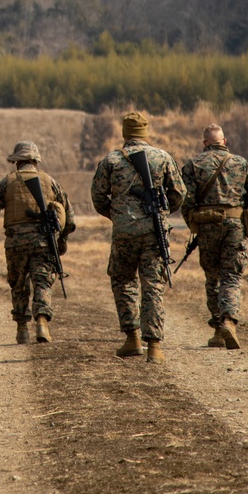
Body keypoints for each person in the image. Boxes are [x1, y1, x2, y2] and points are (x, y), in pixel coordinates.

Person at [91, 110, 185, 364]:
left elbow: (98, 198)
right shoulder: (163, 157)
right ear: (145, 132)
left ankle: (132, 338)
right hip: (154, 232)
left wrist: (119, 215)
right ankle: (154, 346)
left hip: (124, 233)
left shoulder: (111, 160)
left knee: (123, 281)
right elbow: (178, 193)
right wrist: (162, 212)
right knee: (153, 285)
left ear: (125, 133)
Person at [0, 141, 75, 344]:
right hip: (43, 241)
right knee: (42, 282)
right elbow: (69, 213)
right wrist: (63, 239)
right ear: (35, 161)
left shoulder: (6, 183)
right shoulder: (50, 181)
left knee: (18, 284)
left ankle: (22, 328)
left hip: (16, 243)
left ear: (17, 162)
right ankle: (42, 321)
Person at [181, 123, 248, 349]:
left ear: (205, 143)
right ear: (224, 142)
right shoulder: (241, 163)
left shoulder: (193, 164)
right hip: (235, 226)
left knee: (212, 276)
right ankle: (229, 321)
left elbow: (185, 200)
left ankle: (219, 329)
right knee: (231, 275)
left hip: (208, 226)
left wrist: (194, 218)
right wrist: (238, 207)